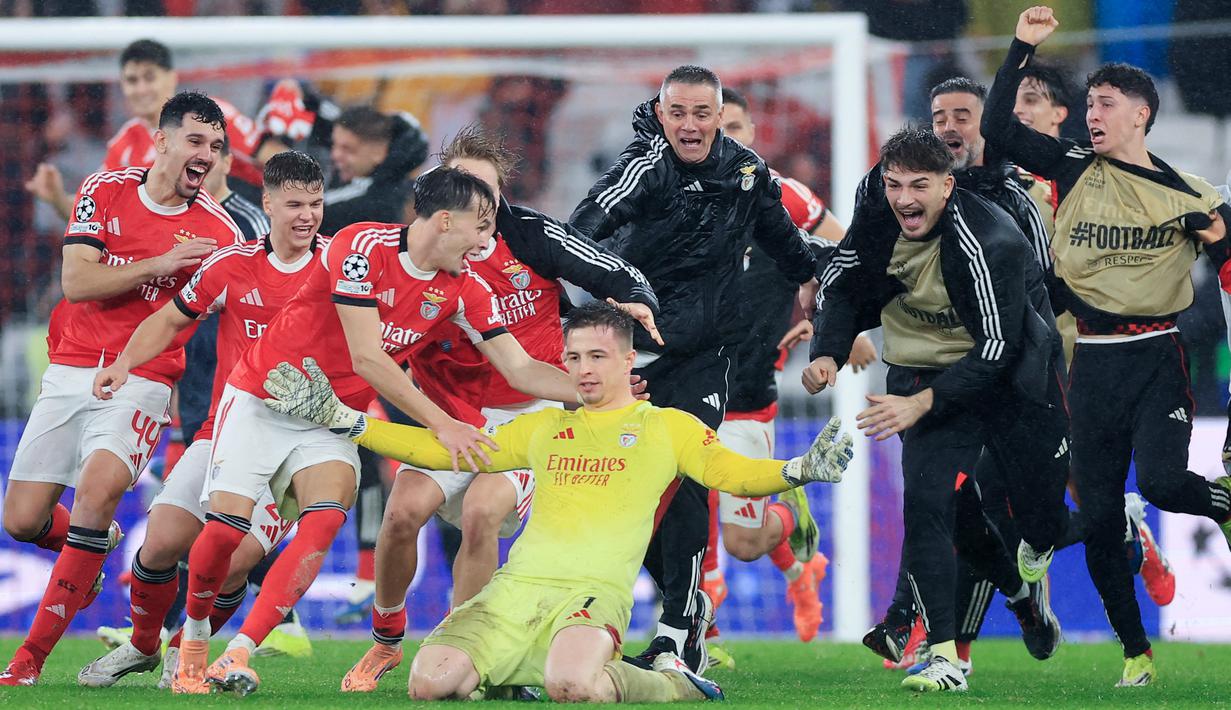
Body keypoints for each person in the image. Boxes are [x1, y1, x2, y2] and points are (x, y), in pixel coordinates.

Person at [260, 300, 854, 703]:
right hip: (516, 591)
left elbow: (734, 472)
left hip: (591, 596)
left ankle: (673, 682)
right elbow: (443, 452)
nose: (584, 370)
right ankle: (516, 663)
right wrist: (345, 421)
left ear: (629, 360)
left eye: (598, 357)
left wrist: (800, 469)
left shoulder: (667, 427)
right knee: (429, 683)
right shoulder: (545, 427)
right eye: (573, 358)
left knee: (574, 686)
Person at [166, 167, 582, 695]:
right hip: (266, 395)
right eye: (481, 227)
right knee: (226, 533)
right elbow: (368, 357)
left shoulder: (466, 289)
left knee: (321, 524)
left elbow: (521, 369)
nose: (486, 241)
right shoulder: (361, 245)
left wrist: (598, 392)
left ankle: (240, 654)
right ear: (446, 221)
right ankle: (193, 642)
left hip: (331, 416)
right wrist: (444, 423)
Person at [341, 126, 660, 692]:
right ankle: (386, 640)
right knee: (400, 514)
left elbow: (595, 277)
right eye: (465, 195)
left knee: (482, 513)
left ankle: (466, 651)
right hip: (451, 413)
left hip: (525, 415)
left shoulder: (525, 238)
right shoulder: (419, 263)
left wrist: (614, 357)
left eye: (487, 195)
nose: (480, 212)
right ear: (443, 205)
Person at [981, 6, 1231, 687]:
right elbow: (995, 128)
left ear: (1140, 115)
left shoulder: (1189, 196)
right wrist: (1020, 49)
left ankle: (1222, 500)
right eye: (1088, 103)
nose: (1091, 115)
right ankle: (1135, 652)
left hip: (1156, 353)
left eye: (1105, 104)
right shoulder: (1069, 164)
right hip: (1086, 360)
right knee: (1094, 519)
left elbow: (1228, 277)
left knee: (1156, 482)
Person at [571, 65, 818, 671]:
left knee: (686, 479)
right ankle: (669, 612)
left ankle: (678, 628)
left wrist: (836, 309)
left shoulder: (745, 172)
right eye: (677, 113)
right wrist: (613, 296)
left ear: (717, 116)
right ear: (661, 115)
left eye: (701, 114)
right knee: (631, 490)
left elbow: (792, 249)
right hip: (637, 351)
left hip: (706, 357)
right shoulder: (644, 168)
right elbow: (579, 232)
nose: (689, 125)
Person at [804, 128, 1066, 693]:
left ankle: (1055, 568)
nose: (903, 198)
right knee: (930, 505)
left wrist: (921, 403)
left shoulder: (989, 240)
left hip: (1011, 375)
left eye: (919, 185)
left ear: (947, 186)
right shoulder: (875, 205)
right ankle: (946, 655)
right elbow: (843, 281)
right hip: (922, 374)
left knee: (1045, 519)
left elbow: (998, 347)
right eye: (895, 184)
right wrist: (826, 352)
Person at [0, 91, 240, 687]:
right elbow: (78, 281)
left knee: (97, 491)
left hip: (145, 377)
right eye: (195, 141)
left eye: (215, 146)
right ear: (161, 140)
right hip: (71, 365)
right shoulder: (103, 190)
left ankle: (26, 663)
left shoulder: (216, 231)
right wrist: (164, 261)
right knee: (23, 521)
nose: (205, 155)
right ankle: (96, 546)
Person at [76, 150, 327, 690]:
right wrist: (124, 363)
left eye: (315, 203)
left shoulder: (339, 272)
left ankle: (181, 652)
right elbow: (168, 318)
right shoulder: (233, 264)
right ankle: (143, 645)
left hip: (293, 449)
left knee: (232, 561)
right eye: (294, 204)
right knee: (159, 546)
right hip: (223, 431)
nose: (307, 216)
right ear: (267, 204)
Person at [696, 87, 867, 659]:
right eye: (720, 127)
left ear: (751, 133)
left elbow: (844, 249)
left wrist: (840, 327)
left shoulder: (779, 197)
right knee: (682, 516)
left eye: (737, 127)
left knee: (743, 543)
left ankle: (795, 544)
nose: (729, 138)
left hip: (747, 395)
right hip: (682, 392)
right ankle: (701, 638)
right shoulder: (674, 195)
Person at [24, 38, 266, 222]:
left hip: (246, 237)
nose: (140, 89)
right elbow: (94, 216)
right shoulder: (125, 144)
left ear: (171, 78)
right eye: (132, 80)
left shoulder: (211, 114)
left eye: (149, 78)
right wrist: (57, 197)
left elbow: (273, 155)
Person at [322, 104, 429, 235]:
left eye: (348, 149)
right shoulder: (387, 179)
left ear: (379, 152)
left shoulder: (374, 203)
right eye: (335, 145)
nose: (335, 155)